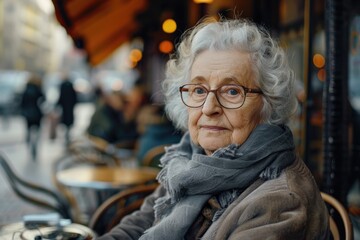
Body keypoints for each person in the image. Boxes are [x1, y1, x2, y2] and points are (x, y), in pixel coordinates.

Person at [97, 17, 330, 239]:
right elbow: (136, 226)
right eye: (199, 90)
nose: (209, 108)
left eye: (232, 91)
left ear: (268, 104)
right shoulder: (190, 164)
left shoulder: (280, 201)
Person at [20, 74, 45, 160]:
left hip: (28, 113)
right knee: (37, 129)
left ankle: (29, 140)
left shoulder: (26, 90)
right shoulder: (38, 89)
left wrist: (23, 111)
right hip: (37, 112)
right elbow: (43, 99)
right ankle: (35, 142)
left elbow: (22, 102)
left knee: (28, 129)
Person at [57, 74, 77, 145]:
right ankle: (67, 132)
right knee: (69, 119)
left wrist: (58, 104)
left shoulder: (62, 85)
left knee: (66, 119)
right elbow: (74, 96)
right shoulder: (71, 85)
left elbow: (61, 95)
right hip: (70, 105)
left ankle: (67, 133)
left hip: (65, 105)